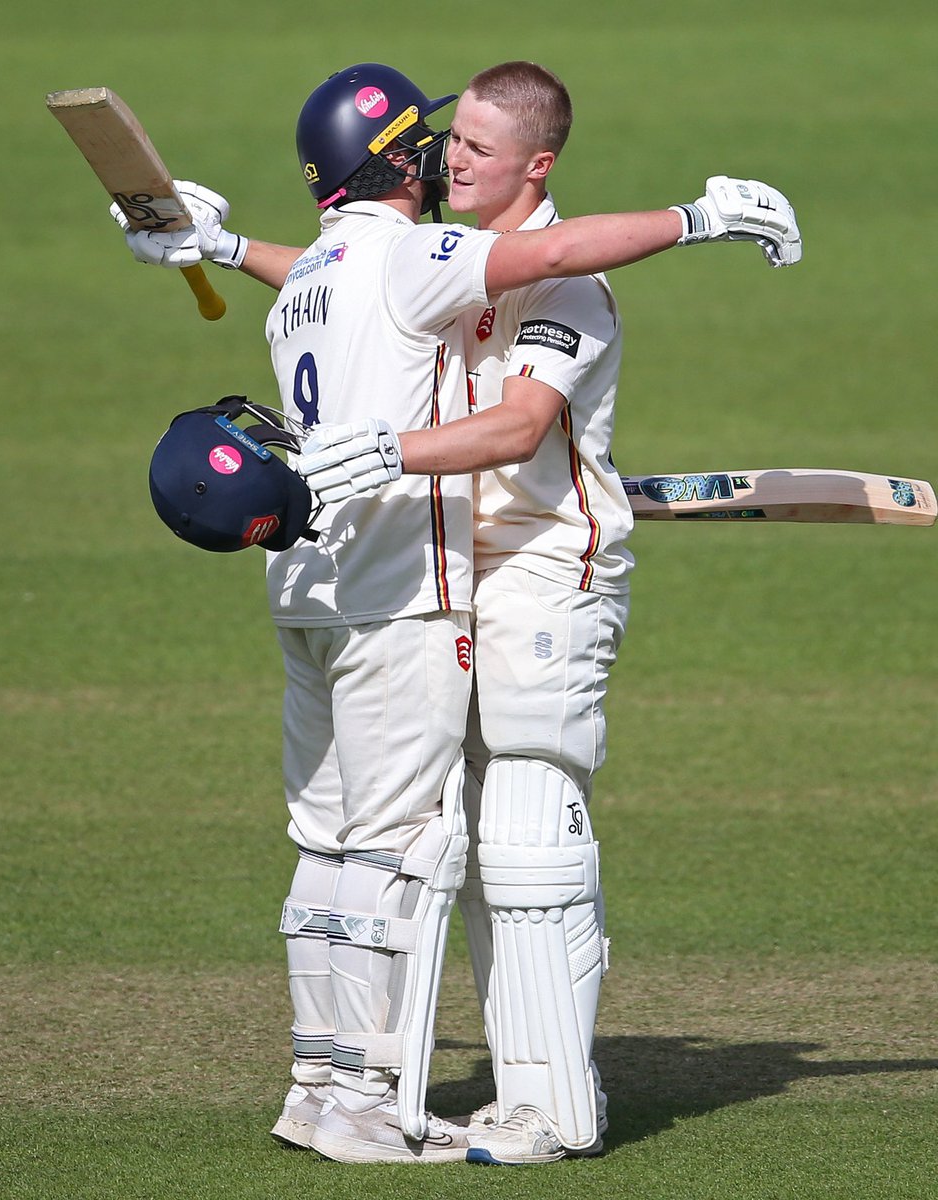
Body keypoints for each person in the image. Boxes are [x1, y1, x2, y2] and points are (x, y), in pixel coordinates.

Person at [114, 61, 801, 1165]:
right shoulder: (427, 258)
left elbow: (517, 424)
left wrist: (700, 216)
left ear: (536, 163)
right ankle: (349, 1084)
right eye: (448, 140)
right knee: (425, 843)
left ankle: (545, 1106)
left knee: (520, 828)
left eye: (477, 145)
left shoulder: (563, 282)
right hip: (436, 570)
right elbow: (357, 279)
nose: (453, 156)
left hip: (542, 566)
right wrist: (230, 249)